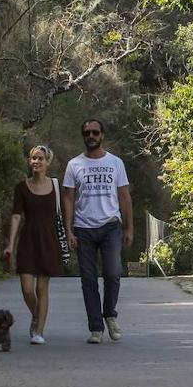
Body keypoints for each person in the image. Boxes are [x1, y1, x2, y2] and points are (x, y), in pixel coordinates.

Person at [62, 118, 133, 344]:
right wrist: (69, 230)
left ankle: (109, 314)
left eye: (95, 132)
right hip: (83, 228)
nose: (91, 136)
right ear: (83, 136)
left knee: (113, 274)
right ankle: (96, 327)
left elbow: (124, 195)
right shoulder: (74, 165)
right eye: (87, 133)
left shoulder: (115, 163)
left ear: (102, 135)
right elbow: (68, 199)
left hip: (111, 225)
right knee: (88, 280)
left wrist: (129, 227)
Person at [2, 144, 65, 345]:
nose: (36, 162)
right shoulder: (21, 187)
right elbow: (16, 216)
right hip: (28, 239)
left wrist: (70, 234)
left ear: (48, 162)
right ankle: (37, 316)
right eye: (33, 158)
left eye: (40, 158)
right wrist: (10, 244)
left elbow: (62, 214)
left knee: (42, 289)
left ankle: (38, 331)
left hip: (49, 239)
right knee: (27, 289)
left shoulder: (55, 186)